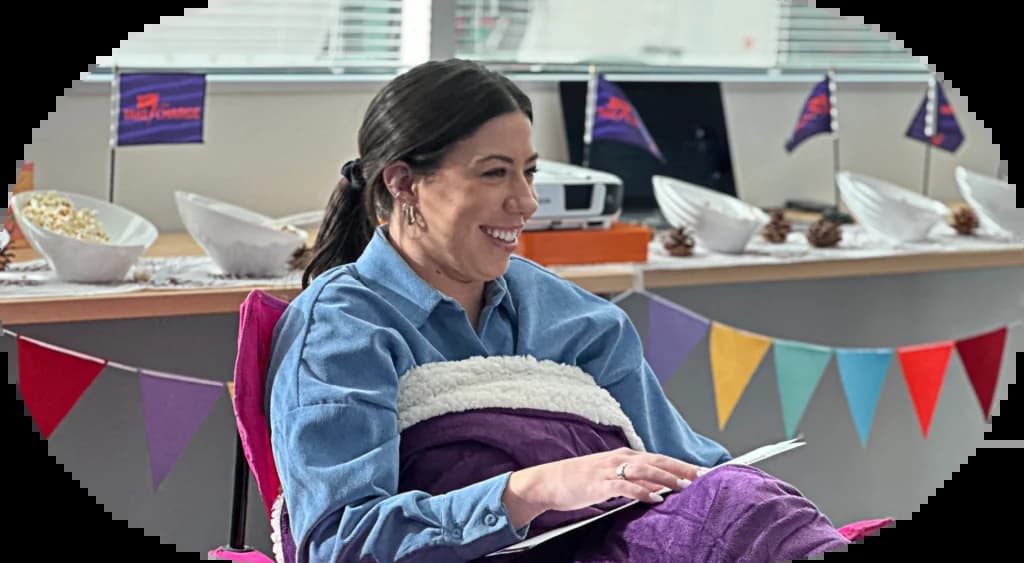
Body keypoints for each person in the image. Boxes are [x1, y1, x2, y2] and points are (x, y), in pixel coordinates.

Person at [266, 58, 852, 563]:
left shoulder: (574, 317)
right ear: (404, 183)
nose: (526, 201)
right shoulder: (343, 329)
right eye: (495, 172)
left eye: (529, 171)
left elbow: (689, 468)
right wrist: (535, 488)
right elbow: (336, 544)